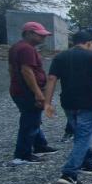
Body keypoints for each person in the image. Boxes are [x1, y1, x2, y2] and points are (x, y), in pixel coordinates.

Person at [43, 30, 92, 184]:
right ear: (88, 42)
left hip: (68, 102)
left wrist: (47, 103)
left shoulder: (60, 57)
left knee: (80, 134)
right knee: (83, 137)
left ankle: (87, 163)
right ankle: (69, 173)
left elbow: (52, 79)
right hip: (88, 102)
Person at [8, 21, 58, 165]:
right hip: (28, 91)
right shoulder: (26, 49)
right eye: (40, 35)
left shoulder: (16, 47)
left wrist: (15, 84)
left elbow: (11, 69)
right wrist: (37, 92)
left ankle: (40, 145)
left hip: (19, 90)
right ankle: (22, 154)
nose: (43, 38)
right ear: (29, 33)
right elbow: (27, 71)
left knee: (33, 118)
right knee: (30, 121)